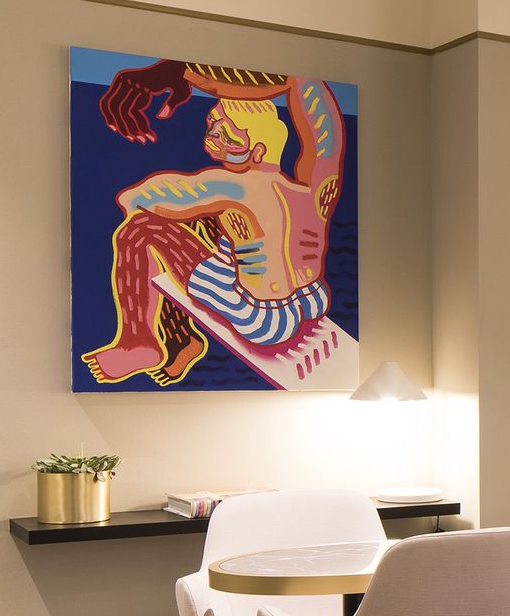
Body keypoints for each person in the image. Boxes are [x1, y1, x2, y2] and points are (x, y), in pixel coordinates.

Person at [81, 59, 347, 386]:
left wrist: (188, 73)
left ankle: (139, 343)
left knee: (140, 231)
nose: (213, 138)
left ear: (257, 150)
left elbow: (135, 199)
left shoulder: (234, 186)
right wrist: (294, 81)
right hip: (311, 298)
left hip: (260, 318)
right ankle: (183, 340)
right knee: (212, 225)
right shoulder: (314, 188)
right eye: (212, 126)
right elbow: (324, 129)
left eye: (226, 135)